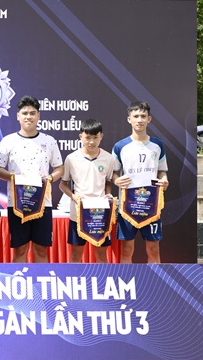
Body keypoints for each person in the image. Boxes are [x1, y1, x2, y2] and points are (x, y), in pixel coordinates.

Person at [0, 95, 64, 263]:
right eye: (25, 113)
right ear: (18, 116)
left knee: (41, 251)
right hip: (17, 204)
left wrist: (50, 178)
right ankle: (17, 279)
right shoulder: (8, 141)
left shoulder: (49, 141)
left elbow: (59, 168)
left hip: (43, 203)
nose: (29, 117)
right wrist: (15, 178)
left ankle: (40, 280)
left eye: (32, 113)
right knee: (20, 250)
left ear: (38, 116)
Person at [112, 101, 169, 263]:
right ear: (129, 119)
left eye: (143, 116)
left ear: (149, 119)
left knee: (153, 248)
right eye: (136, 116)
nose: (139, 120)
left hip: (151, 205)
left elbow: (162, 171)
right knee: (126, 249)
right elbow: (113, 173)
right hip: (127, 206)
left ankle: (155, 279)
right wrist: (117, 180)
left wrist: (164, 180)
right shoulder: (120, 146)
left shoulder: (157, 145)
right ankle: (126, 279)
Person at [59, 119, 114, 263]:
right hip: (78, 214)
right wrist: (74, 197)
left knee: (101, 255)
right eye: (88, 137)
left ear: (101, 136)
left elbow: (108, 182)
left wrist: (108, 194)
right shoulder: (71, 158)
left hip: (100, 213)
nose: (91, 142)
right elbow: (63, 185)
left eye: (95, 137)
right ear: (80, 137)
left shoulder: (108, 158)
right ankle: (73, 277)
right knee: (76, 255)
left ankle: (103, 278)